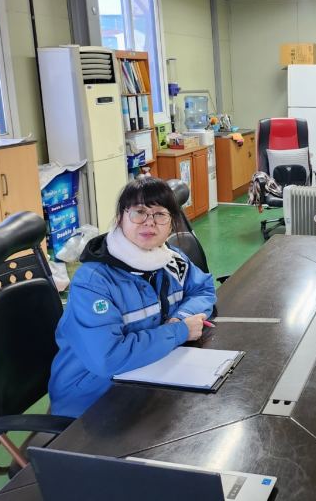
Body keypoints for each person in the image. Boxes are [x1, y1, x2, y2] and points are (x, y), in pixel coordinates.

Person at [49, 178, 217, 418]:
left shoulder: (172, 259)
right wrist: (179, 331)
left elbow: (203, 290)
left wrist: (181, 317)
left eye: (160, 214)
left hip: (149, 377)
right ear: (120, 219)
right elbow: (107, 359)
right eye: (139, 212)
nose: (150, 222)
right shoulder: (94, 281)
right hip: (92, 401)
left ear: (171, 222)